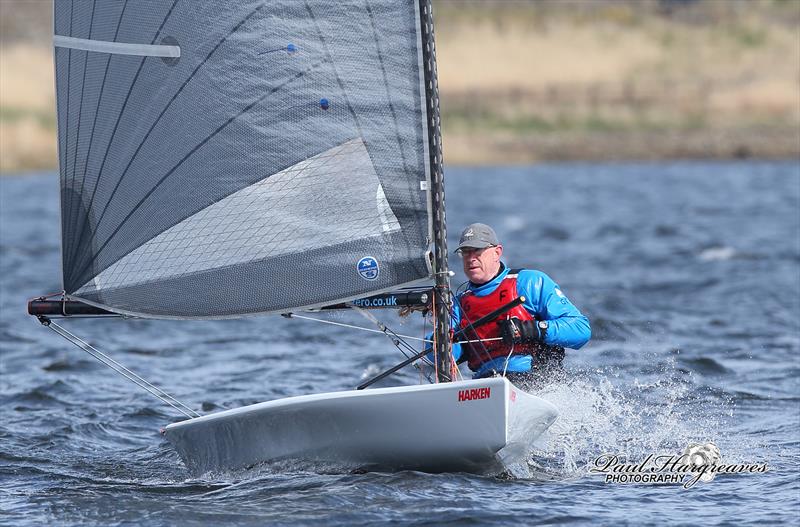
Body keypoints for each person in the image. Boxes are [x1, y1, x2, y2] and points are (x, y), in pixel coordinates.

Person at [449, 223, 590, 387]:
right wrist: (438, 334)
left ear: (497, 252)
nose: (471, 258)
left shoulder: (530, 282)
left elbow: (581, 329)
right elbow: (440, 358)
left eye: (477, 250)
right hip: (487, 387)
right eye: (465, 252)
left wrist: (533, 329)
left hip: (536, 380)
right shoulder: (458, 304)